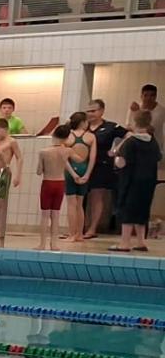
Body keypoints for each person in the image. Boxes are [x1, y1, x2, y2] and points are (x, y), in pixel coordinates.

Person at [112, 111, 161, 251]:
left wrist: (115, 158)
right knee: (142, 210)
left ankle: (125, 243)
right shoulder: (153, 142)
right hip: (148, 181)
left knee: (127, 210)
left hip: (131, 181)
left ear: (134, 122)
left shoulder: (131, 142)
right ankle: (141, 242)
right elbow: (158, 158)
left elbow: (121, 162)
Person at [84, 98, 125, 239]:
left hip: (101, 165)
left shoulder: (111, 127)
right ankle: (78, 227)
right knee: (79, 196)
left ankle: (92, 228)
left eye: (93, 111)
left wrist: (116, 150)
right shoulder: (83, 126)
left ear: (101, 111)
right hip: (83, 164)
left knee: (96, 196)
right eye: (88, 111)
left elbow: (129, 135)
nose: (90, 114)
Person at [35, 123, 74, 249]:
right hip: (60, 184)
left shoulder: (43, 152)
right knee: (56, 215)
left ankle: (42, 244)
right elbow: (79, 159)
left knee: (45, 216)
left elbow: (39, 171)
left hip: (48, 183)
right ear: (66, 138)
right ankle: (54, 244)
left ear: (53, 135)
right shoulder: (67, 151)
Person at [62, 109, 94, 241]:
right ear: (83, 122)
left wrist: (73, 173)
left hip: (71, 171)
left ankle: (71, 234)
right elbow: (92, 158)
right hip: (84, 169)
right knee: (80, 204)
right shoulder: (91, 137)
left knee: (71, 204)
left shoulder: (67, 137)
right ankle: (79, 234)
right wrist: (87, 174)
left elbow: (63, 158)